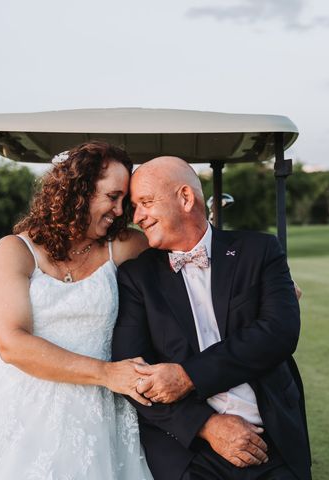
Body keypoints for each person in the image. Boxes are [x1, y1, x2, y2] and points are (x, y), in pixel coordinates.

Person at [0, 141, 154, 479]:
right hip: (23, 402)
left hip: (101, 409)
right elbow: (11, 343)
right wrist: (107, 374)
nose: (119, 209)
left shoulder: (125, 246)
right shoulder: (15, 250)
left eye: (124, 200)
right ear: (78, 190)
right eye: (113, 197)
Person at [112, 156, 311, 480]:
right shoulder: (136, 277)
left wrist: (188, 375)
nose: (138, 217)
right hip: (189, 452)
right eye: (135, 207)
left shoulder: (259, 250)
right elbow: (133, 373)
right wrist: (207, 426)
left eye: (146, 203)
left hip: (272, 443)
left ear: (186, 198)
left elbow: (279, 332)